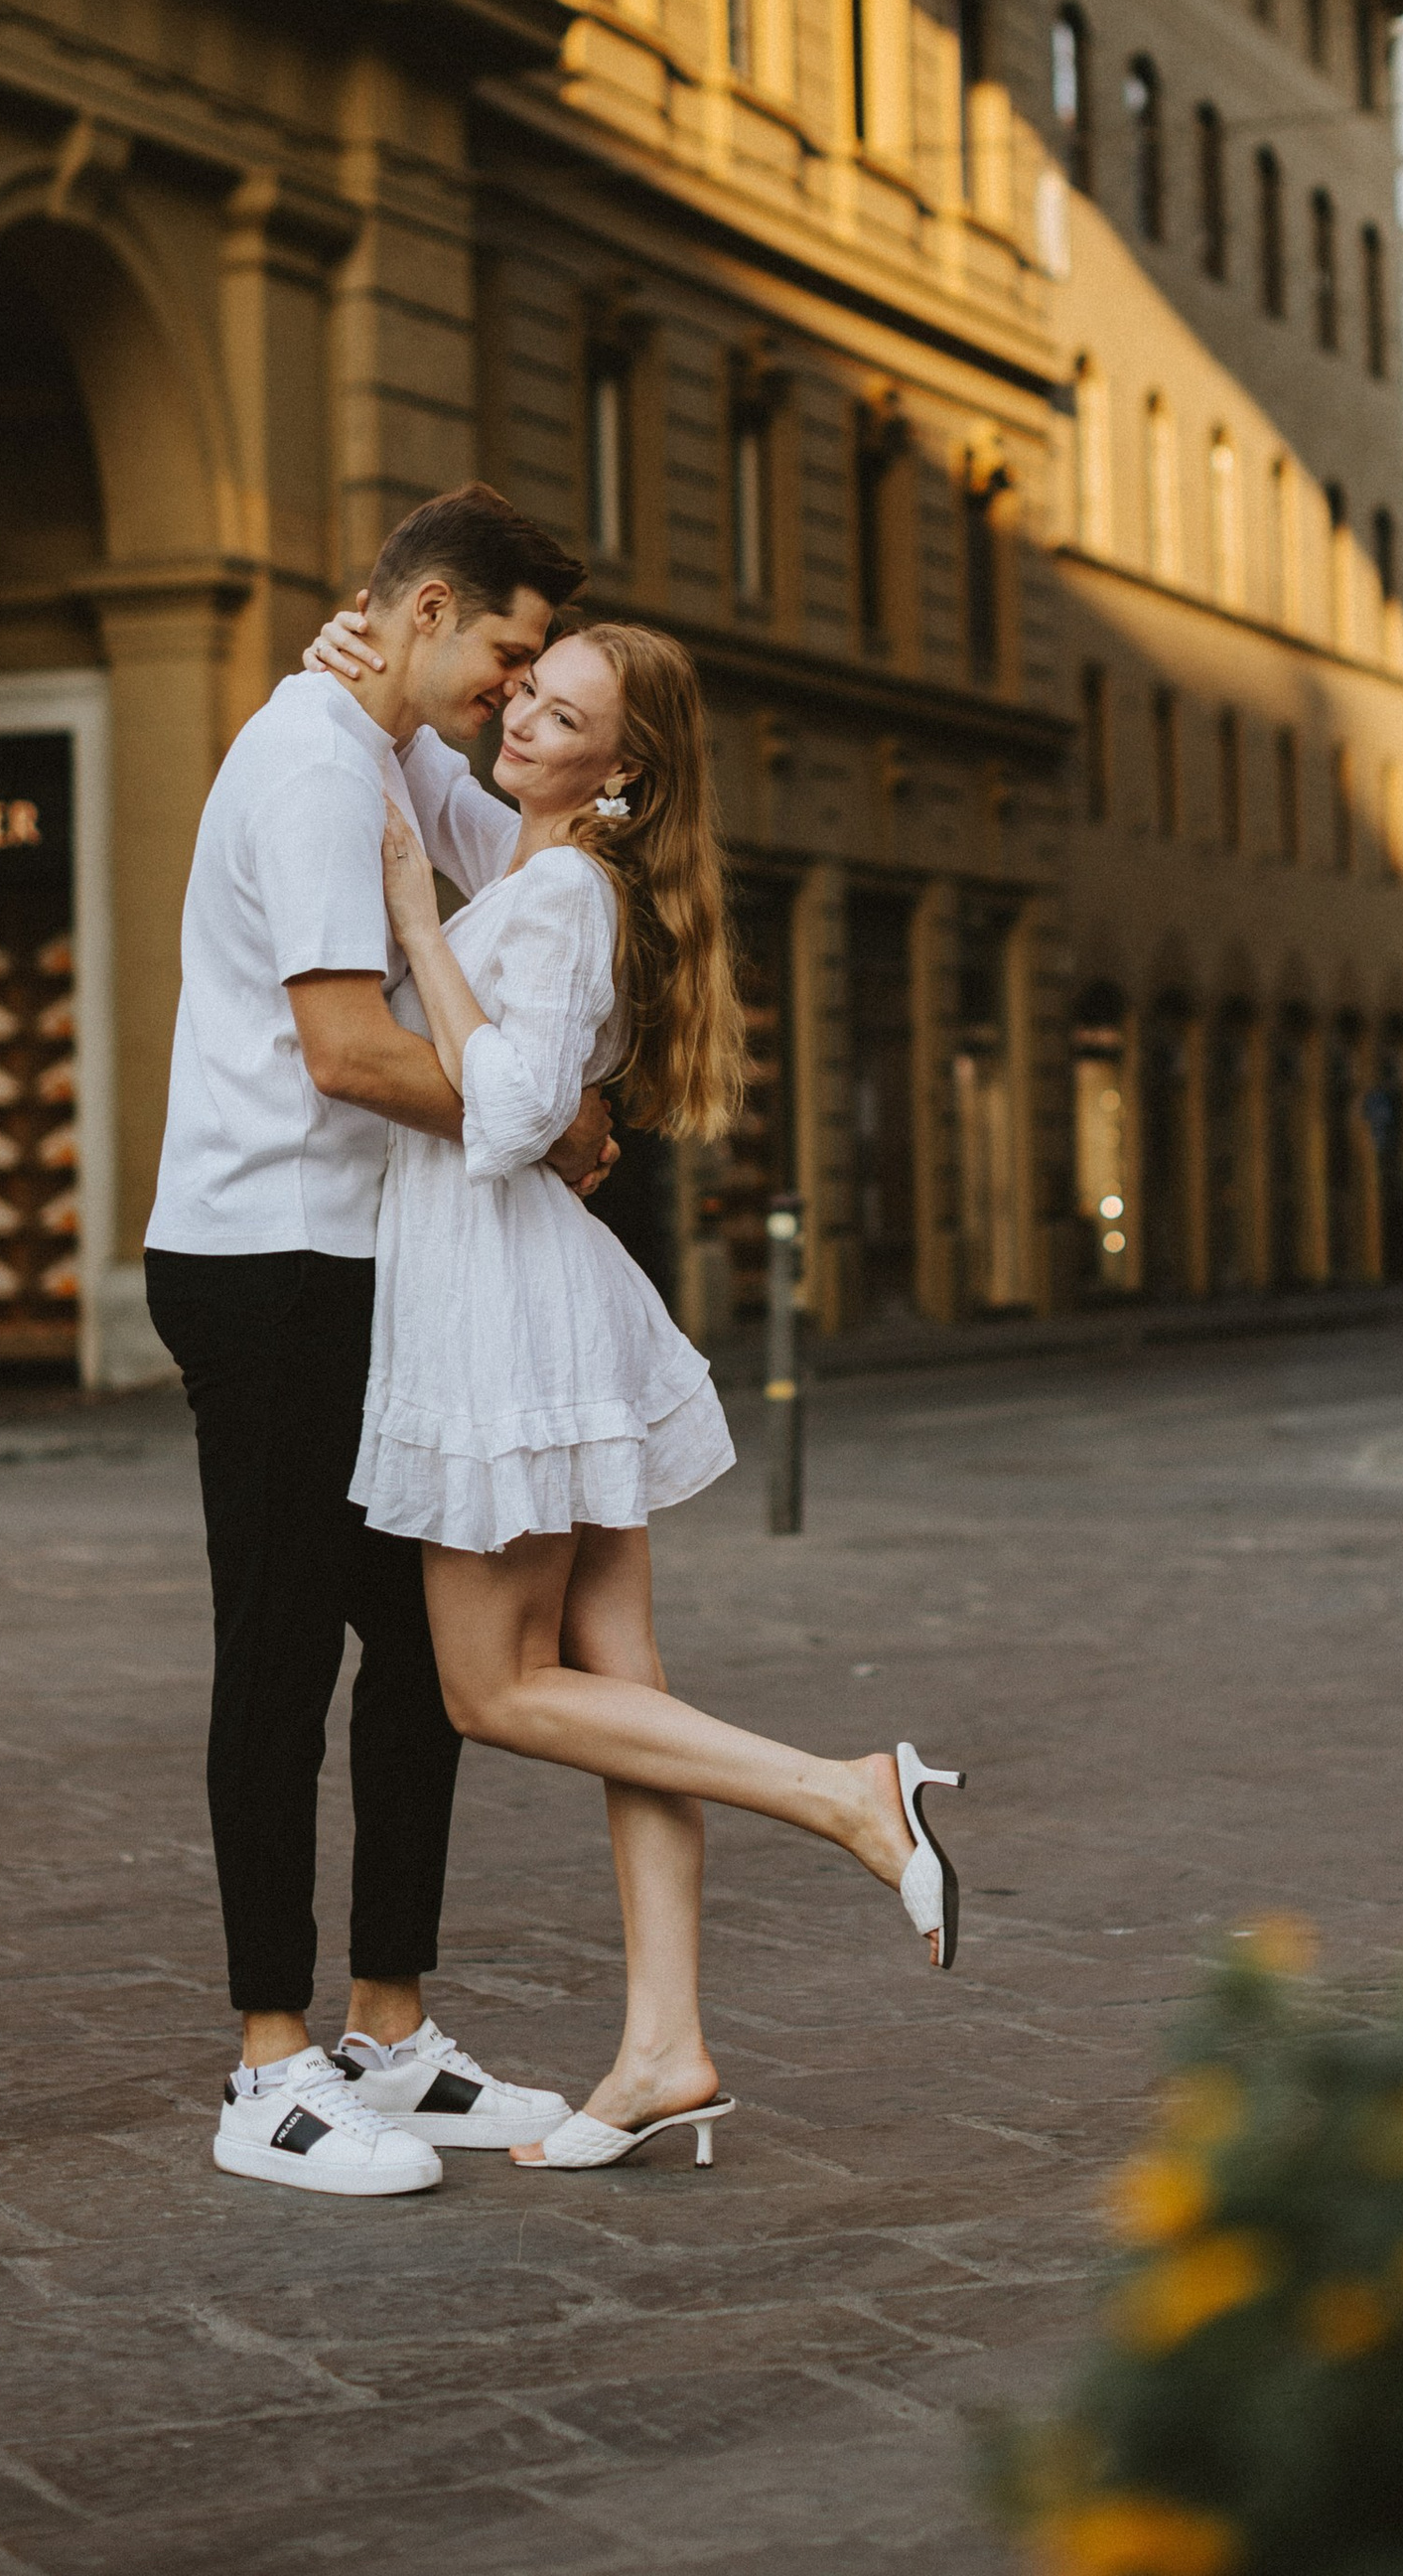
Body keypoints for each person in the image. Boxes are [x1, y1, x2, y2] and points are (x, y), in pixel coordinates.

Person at [309, 599, 965, 2173]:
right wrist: (361, 666)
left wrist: (414, 931)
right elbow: (434, 777)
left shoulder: (555, 892)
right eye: (528, 690)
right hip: (539, 1299)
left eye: (565, 714)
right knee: (628, 1699)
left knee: (492, 1689)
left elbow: (515, 1113)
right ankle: (666, 2043)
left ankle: (849, 1794)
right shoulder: (537, 860)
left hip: (500, 1310)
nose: (524, 716)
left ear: (621, 772)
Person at [144, 485, 616, 2204]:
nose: (515, 690)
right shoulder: (313, 768)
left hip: (363, 1261)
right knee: (279, 1653)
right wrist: (544, 1126)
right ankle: (269, 2064)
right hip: (266, 1263)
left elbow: (523, 867)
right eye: (507, 654)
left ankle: (390, 2033)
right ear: (426, 613)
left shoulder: (397, 748)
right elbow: (344, 1049)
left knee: (422, 1649)